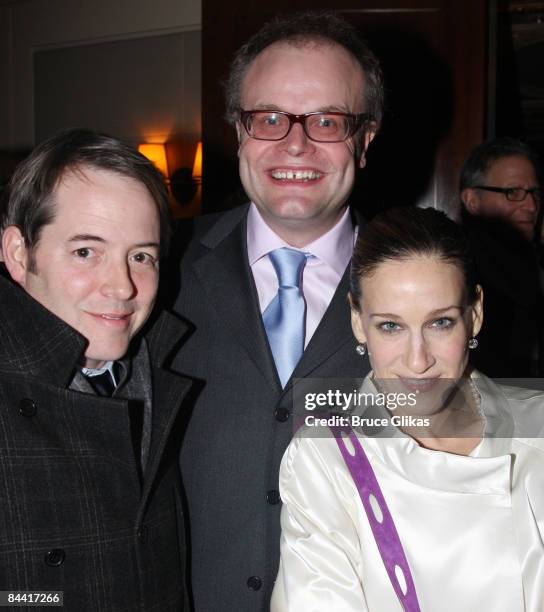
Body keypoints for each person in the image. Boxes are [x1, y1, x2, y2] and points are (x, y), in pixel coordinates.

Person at [171, 10, 383, 611]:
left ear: (363, 141)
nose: (295, 142)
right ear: (239, 132)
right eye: (268, 118)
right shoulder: (154, 268)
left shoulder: (428, 291)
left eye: (327, 120)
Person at [272, 207, 544, 611]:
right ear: (358, 322)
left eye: (440, 323)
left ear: (476, 313)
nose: (418, 361)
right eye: (391, 326)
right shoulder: (325, 460)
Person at [0, 128, 190, 611]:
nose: (122, 286)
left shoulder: (161, 365)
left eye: (141, 256)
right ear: (19, 254)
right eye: (86, 251)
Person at [459, 137, 543, 376]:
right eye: (512, 192)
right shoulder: (458, 274)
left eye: (534, 193)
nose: (531, 206)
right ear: (472, 201)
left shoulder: (526, 266)